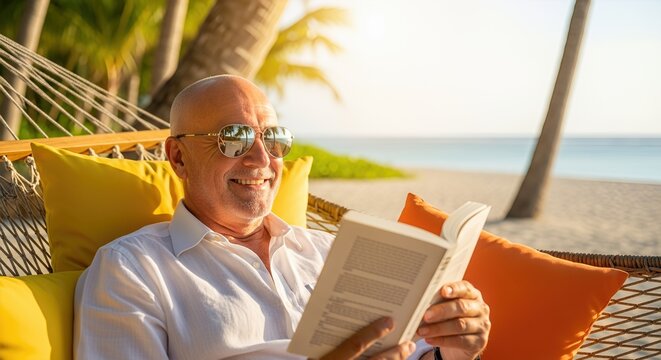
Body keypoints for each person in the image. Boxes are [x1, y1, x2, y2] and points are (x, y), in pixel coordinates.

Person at [74, 75, 490, 360]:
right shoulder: (133, 270)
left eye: (273, 138)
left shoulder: (333, 253)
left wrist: (451, 347)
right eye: (233, 139)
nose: (262, 159)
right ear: (178, 157)